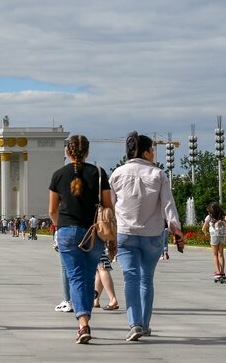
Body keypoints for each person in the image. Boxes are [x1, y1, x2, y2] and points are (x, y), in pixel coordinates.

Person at [111, 132, 183, 342]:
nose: (154, 153)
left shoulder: (117, 173)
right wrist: (176, 229)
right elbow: (169, 205)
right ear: (145, 152)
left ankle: (134, 324)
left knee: (130, 278)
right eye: (152, 149)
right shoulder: (159, 174)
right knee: (146, 279)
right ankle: (145, 323)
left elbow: (110, 204)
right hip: (152, 235)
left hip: (125, 233)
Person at [50, 135, 113, 344]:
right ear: (87, 152)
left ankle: (83, 323)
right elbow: (108, 207)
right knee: (86, 277)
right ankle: (84, 319)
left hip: (67, 232)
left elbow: (52, 211)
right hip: (94, 232)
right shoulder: (98, 173)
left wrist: (61, 227)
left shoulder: (58, 175)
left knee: (77, 277)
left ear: (67, 152)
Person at [202, 202, 226, 281]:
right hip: (222, 235)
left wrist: (206, 233)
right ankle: (222, 272)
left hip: (214, 236)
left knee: (215, 255)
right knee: (221, 254)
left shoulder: (209, 217)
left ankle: (217, 272)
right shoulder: (223, 216)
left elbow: (203, 228)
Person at [92, 242, 120, 311]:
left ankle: (112, 299)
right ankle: (96, 299)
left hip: (99, 238)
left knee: (102, 266)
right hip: (102, 238)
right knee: (99, 268)